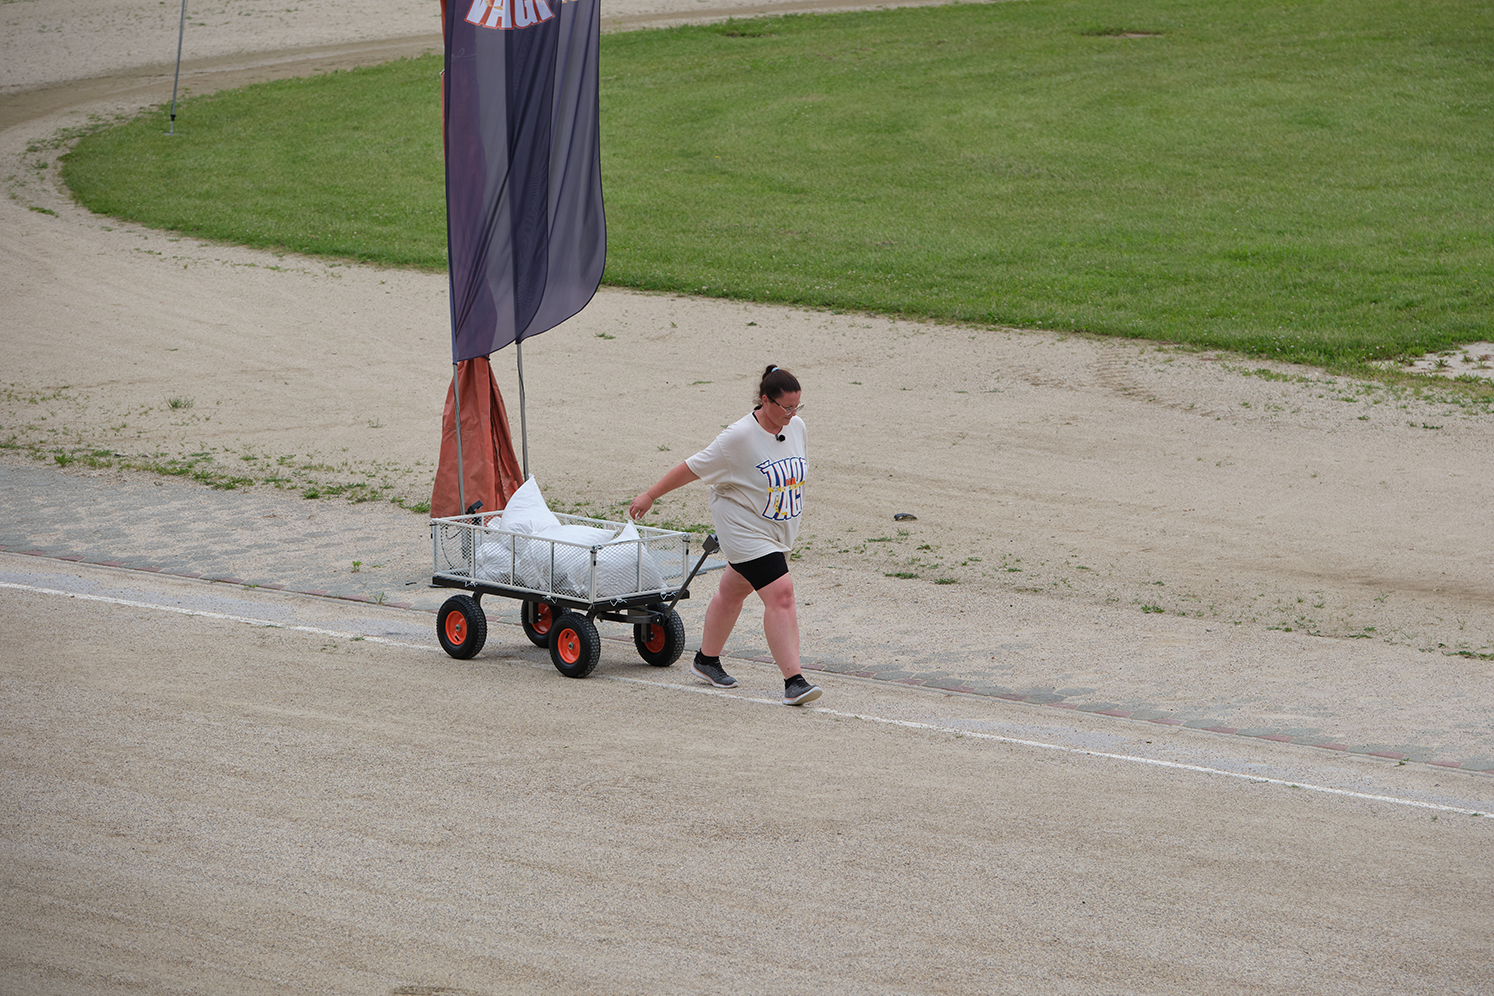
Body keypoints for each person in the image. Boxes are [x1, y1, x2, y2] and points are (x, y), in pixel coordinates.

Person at [629, 365, 821, 706]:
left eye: (798, 407)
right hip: (743, 529)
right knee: (782, 595)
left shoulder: (797, 428)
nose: (793, 414)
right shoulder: (739, 438)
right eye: (787, 407)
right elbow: (691, 467)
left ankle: (706, 660)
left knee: (733, 590)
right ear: (766, 400)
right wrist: (651, 495)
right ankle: (795, 681)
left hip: (776, 530)